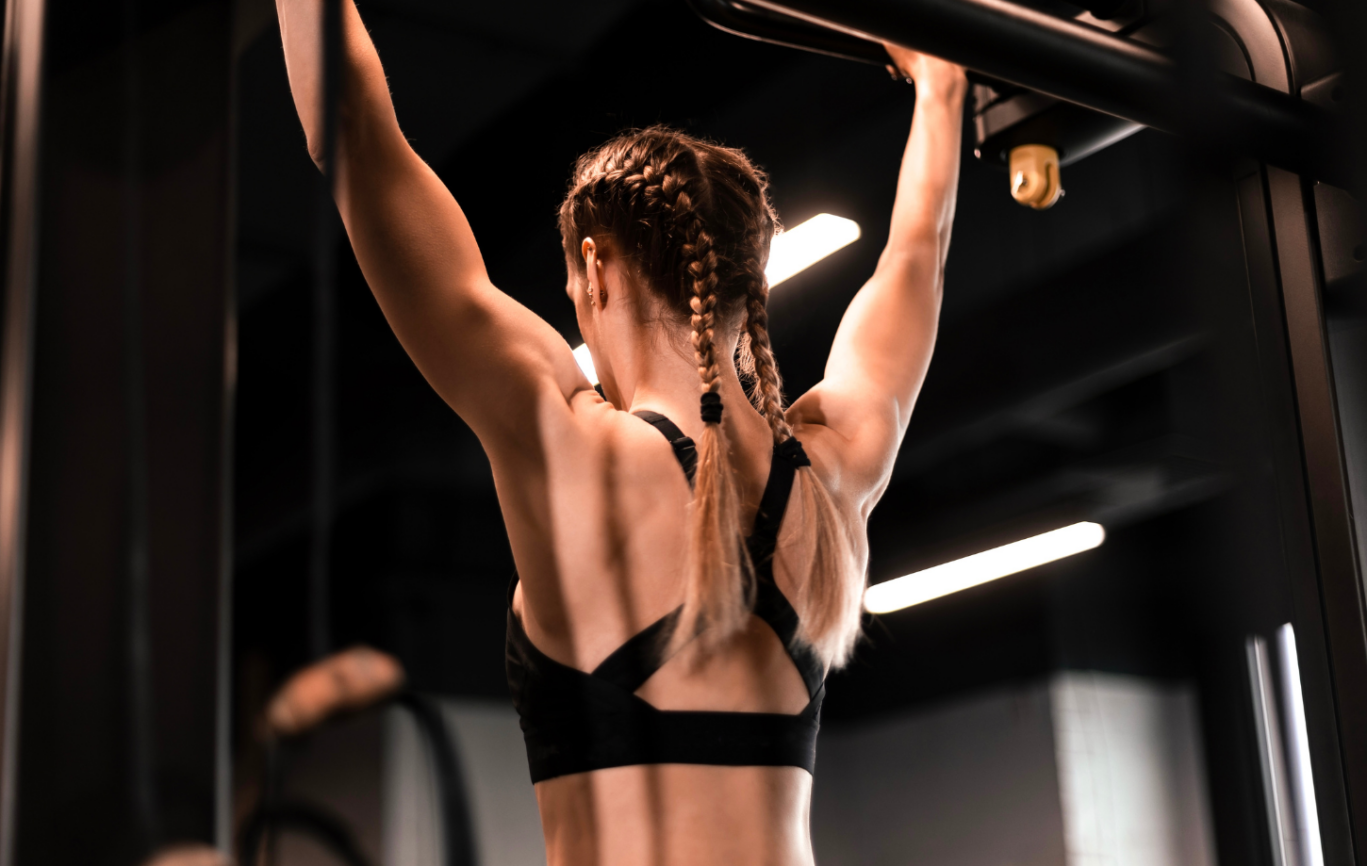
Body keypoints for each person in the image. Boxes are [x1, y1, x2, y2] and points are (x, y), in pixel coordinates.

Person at [275, 2, 966, 863]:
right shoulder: (833, 467)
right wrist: (940, 85)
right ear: (750, 282)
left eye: (572, 284)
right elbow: (916, 254)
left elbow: (352, 133)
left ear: (594, 268)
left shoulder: (568, 445)